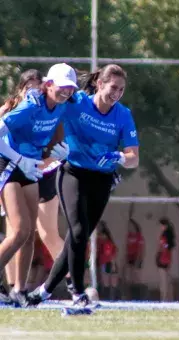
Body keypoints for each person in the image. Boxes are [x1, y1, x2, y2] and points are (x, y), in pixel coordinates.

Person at [28, 64, 139, 307]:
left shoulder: (123, 115)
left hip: (102, 180)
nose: (117, 93)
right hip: (73, 172)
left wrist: (119, 157)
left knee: (77, 239)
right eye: (113, 87)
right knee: (78, 233)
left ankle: (44, 290)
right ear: (100, 83)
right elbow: (54, 98)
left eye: (121, 89)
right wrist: (33, 97)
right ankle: (78, 293)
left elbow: (134, 158)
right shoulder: (77, 102)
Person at [0, 63, 77, 306]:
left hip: (31, 168)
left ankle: (19, 291)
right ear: (49, 84)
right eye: (61, 87)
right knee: (20, 229)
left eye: (70, 88)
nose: (66, 92)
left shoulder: (64, 107)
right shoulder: (32, 104)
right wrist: (19, 159)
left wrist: (65, 151)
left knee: (29, 234)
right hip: (10, 165)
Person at [96, 220, 119, 300]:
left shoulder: (107, 243)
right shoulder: (101, 242)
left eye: (101, 235)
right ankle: (108, 297)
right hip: (103, 263)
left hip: (106, 263)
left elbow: (110, 255)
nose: (100, 236)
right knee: (105, 282)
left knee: (108, 282)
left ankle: (109, 298)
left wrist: (113, 265)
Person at [124, 218, 145, 300]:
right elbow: (127, 247)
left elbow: (141, 249)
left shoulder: (139, 237)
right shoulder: (128, 236)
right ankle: (130, 295)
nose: (130, 228)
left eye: (131, 226)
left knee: (136, 278)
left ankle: (138, 296)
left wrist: (138, 260)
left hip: (137, 259)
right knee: (130, 277)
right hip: (130, 258)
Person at [156, 218, 175, 301]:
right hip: (167, 258)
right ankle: (169, 298)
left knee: (163, 281)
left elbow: (163, 246)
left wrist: (163, 248)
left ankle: (164, 299)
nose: (160, 227)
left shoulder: (164, 236)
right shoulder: (170, 236)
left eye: (161, 225)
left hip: (163, 258)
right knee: (167, 280)